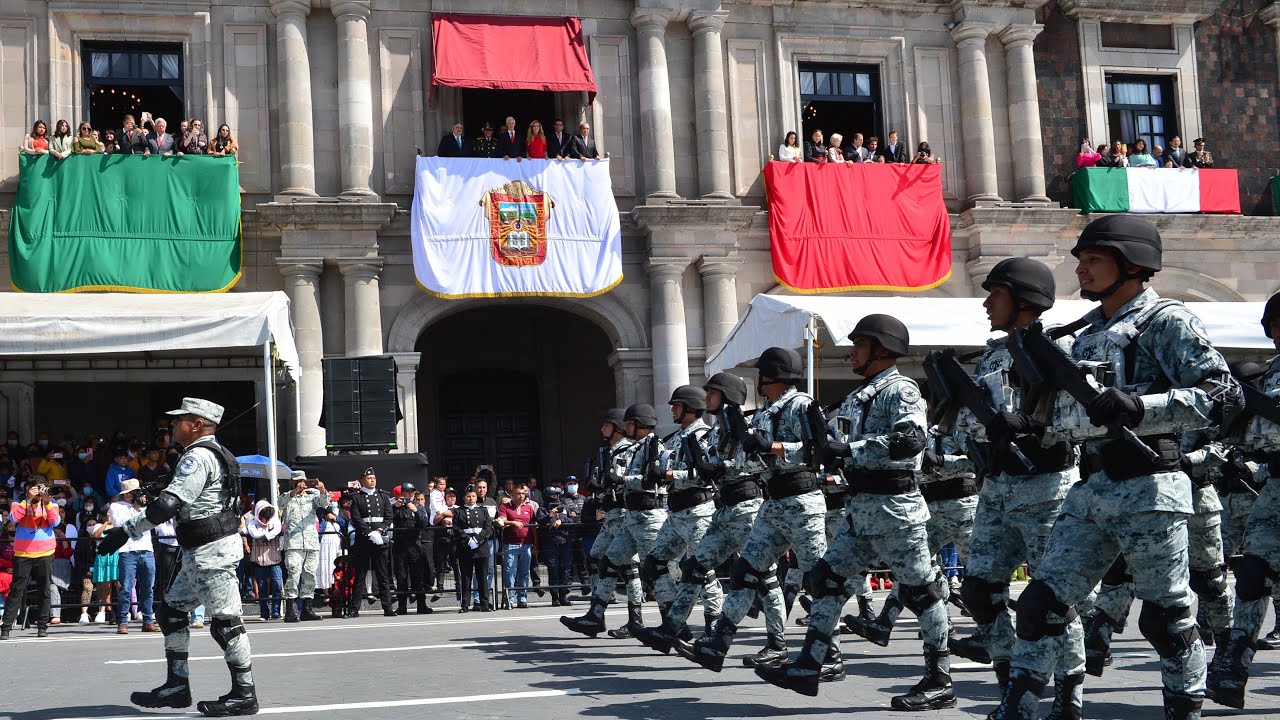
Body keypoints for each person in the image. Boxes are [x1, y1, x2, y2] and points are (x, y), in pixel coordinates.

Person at [987, 216, 1238, 720]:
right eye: (1080, 260)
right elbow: (1068, 417)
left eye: (1093, 260)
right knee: (1040, 605)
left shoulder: (1168, 321)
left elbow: (1221, 396)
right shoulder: (1083, 334)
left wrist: (1143, 407)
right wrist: (1023, 421)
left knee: (1166, 619)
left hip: (1150, 488)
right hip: (1091, 486)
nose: (1080, 269)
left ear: (1132, 264)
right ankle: (1017, 709)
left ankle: (1184, 710)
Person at [758, 317, 953, 711]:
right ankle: (811, 663)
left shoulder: (902, 389)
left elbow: (911, 440)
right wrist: (810, 448)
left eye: (858, 345)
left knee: (922, 593)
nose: (850, 352)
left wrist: (852, 450)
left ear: (881, 348)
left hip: (897, 510)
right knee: (824, 578)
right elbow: (834, 446)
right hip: (860, 509)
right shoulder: (858, 396)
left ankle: (939, 679)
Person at [941, 258, 1086, 716]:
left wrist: (1031, 423)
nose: (986, 303)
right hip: (997, 487)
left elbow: (1082, 413)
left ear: (1022, 299)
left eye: (995, 294)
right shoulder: (992, 353)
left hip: (1046, 486)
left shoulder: (1060, 347)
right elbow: (974, 416)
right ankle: (1010, 685)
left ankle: (1068, 698)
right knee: (980, 592)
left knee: (1053, 601)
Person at [95, 398, 259, 715]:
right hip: (200, 553)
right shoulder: (217, 453)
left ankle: (244, 694)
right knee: (171, 614)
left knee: (226, 623)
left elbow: (168, 505)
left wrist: (124, 531)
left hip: (211, 554)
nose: (171, 425)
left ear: (196, 424)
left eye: (178, 420)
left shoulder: (197, 456)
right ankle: (176, 686)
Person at [685, 348, 829, 674]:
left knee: (820, 581)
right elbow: (754, 462)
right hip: (772, 503)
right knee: (744, 573)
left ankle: (826, 653)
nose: (758, 378)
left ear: (772, 375)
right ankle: (718, 644)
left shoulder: (802, 405)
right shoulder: (763, 414)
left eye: (761, 372)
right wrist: (725, 465)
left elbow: (816, 450)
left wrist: (773, 447)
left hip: (803, 501)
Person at [1206, 292, 1280, 707]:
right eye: (1276, 324)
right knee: (1251, 572)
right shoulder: (1268, 376)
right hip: (1275, 487)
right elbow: (1247, 436)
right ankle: (1234, 667)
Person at [638, 387, 720, 639]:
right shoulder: (673, 439)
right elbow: (662, 470)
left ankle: (713, 628)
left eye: (677, 405)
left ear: (691, 408)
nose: (672, 409)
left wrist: (668, 475)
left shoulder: (706, 435)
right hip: (676, 512)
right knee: (654, 563)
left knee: (702, 570)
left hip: (698, 510)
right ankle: (675, 623)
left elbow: (707, 472)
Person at [561, 408, 637, 635]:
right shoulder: (608, 451)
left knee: (631, 568)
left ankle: (636, 619)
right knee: (594, 558)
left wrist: (606, 485)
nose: (602, 428)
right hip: (611, 514)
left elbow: (626, 482)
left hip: (624, 515)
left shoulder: (629, 450)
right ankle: (596, 616)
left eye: (606, 424)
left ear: (617, 427)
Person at [0, 482, 60, 639]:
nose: (40, 492)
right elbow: (14, 518)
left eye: (42, 488)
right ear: (28, 490)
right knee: (16, 590)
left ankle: (42, 627)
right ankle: (5, 628)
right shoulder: (17, 503)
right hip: (23, 553)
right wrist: (29, 500)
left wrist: (46, 503)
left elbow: (55, 522)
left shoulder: (51, 503)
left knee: (44, 590)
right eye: (37, 489)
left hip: (45, 552)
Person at [109, 478, 157, 634]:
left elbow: (153, 523)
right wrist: (135, 507)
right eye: (132, 493)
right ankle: (122, 622)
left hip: (147, 550)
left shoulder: (145, 507)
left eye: (137, 493)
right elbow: (120, 524)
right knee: (126, 588)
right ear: (125, 494)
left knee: (148, 588)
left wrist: (144, 506)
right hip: (127, 551)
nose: (134, 496)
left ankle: (148, 621)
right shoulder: (116, 506)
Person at [346, 467, 395, 617]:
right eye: (369, 478)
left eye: (374, 478)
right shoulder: (356, 497)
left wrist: (380, 531)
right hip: (364, 540)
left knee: (383, 575)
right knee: (360, 575)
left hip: (380, 539)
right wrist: (369, 532)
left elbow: (388, 517)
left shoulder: (383, 496)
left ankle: (388, 608)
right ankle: (354, 609)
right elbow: (356, 518)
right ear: (362, 480)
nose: (372, 480)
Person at [279, 471, 328, 623]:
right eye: (298, 481)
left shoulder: (311, 496)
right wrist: (295, 492)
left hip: (311, 542)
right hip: (293, 543)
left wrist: (322, 490)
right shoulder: (287, 496)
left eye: (303, 481)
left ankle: (307, 608)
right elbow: (280, 505)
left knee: (310, 574)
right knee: (293, 573)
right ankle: (290, 610)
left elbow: (324, 503)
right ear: (292, 482)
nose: (302, 484)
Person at [390, 481, 431, 615]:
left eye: (411, 492)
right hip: (400, 545)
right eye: (407, 492)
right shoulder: (395, 507)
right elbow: (388, 520)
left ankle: (421, 605)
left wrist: (415, 510)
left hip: (415, 544)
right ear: (401, 493)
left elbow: (424, 523)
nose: (409, 494)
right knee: (401, 576)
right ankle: (402, 606)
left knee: (417, 575)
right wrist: (395, 508)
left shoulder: (418, 506)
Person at [541, 478, 580, 606]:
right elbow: (542, 522)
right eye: (553, 495)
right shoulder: (542, 509)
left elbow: (571, 519)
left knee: (566, 569)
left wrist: (562, 521)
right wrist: (550, 516)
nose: (555, 497)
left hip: (565, 541)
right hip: (550, 543)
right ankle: (555, 597)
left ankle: (564, 595)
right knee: (553, 569)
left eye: (557, 494)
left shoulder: (564, 507)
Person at [454, 485, 493, 612]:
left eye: (474, 496)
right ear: (464, 498)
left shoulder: (483, 510)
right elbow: (456, 528)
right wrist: (468, 540)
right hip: (466, 547)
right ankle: (465, 605)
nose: (471, 498)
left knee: (482, 577)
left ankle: (485, 604)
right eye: (469, 496)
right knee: (466, 577)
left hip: (481, 547)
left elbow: (488, 527)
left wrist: (477, 539)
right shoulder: (459, 511)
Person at [498, 483, 537, 608]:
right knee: (510, 572)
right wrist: (513, 522)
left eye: (523, 494)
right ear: (512, 494)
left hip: (526, 544)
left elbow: (534, 527)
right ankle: (509, 598)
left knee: (524, 572)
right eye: (518, 494)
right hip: (510, 544)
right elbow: (501, 521)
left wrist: (535, 544)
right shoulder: (505, 506)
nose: (521, 496)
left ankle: (522, 598)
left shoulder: (529, 508)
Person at [244, 499, 282, 621]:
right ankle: (264, 613)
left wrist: (266, 534)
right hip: (259, 560)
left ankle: (276, 611)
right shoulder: (252, 523)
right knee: (262, 588)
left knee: (277, 585)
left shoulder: (275, 521)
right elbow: (255, 535)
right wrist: (267, 533)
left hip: (275, 560)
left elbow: (277, 530)